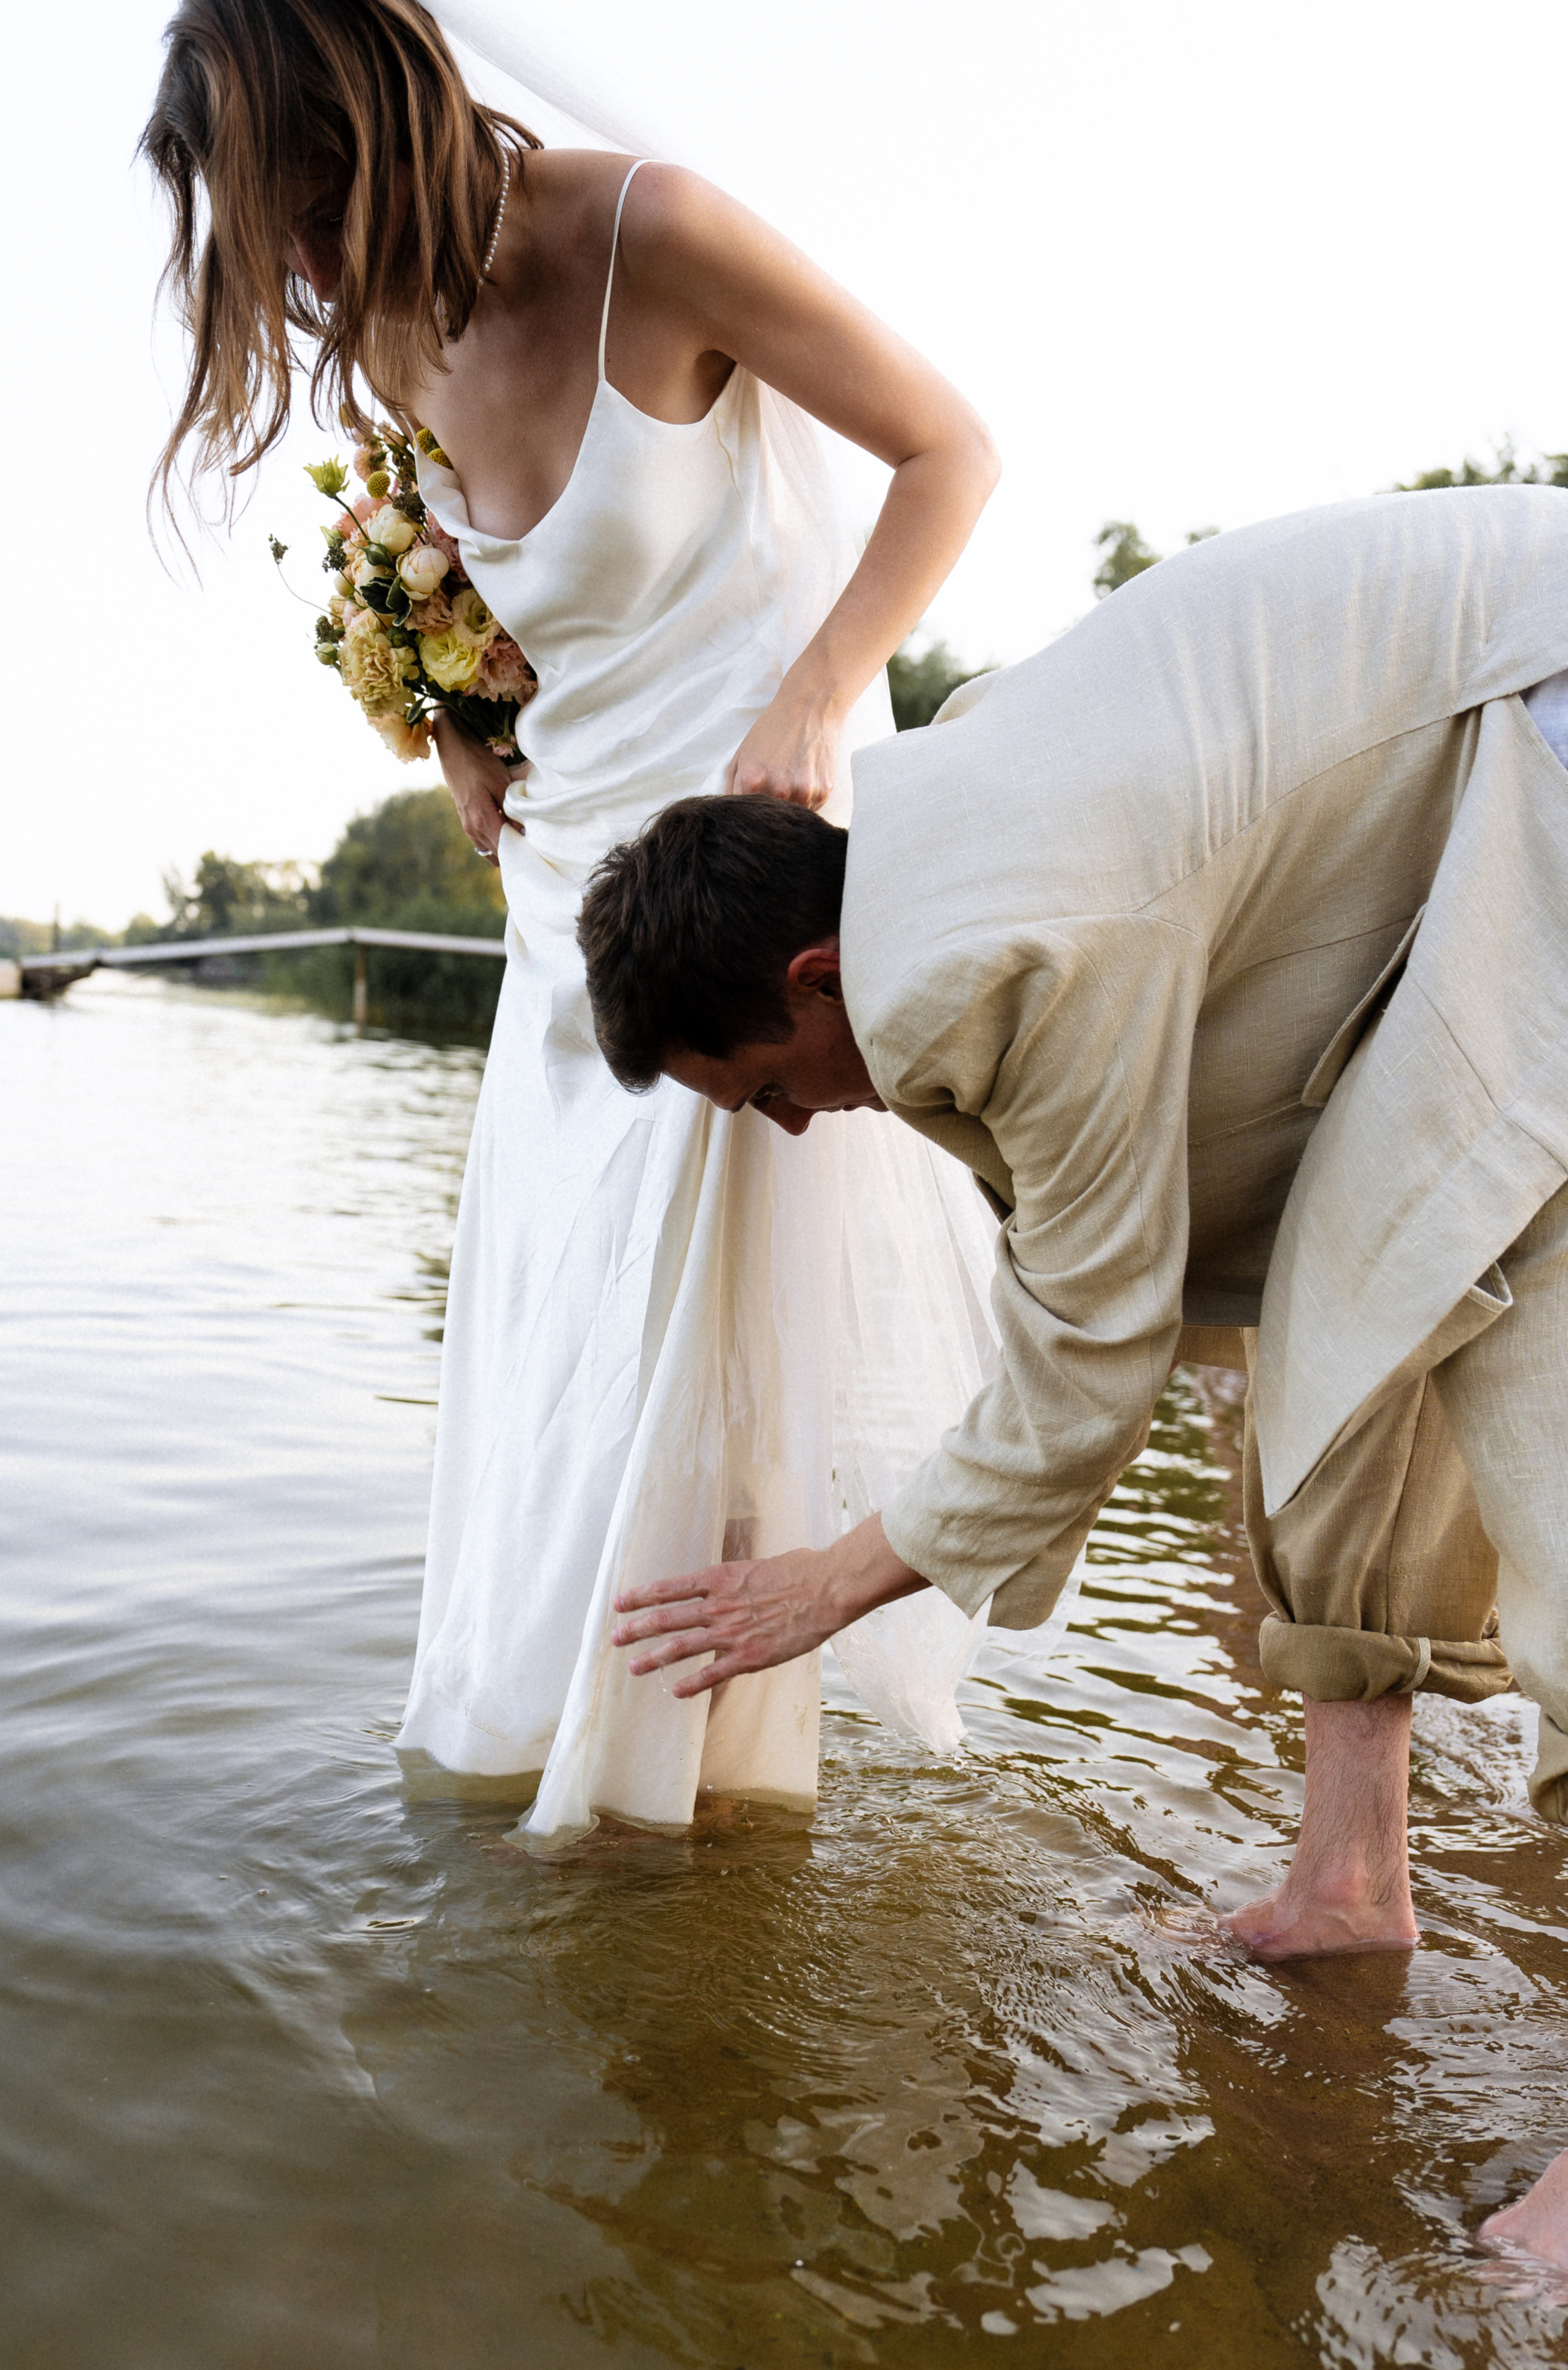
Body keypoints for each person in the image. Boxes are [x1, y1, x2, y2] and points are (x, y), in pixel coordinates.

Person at [579, 483, 1568, 2274]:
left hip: (1564, 734)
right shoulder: (943, 857)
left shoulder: (999, 946)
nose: (799, 1128)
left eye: (771, 1087)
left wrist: (822, 1584)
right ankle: (1352, 1885)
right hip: (1489, 787)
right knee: (1341, 1353)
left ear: (815, 975)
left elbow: (1087, 1351)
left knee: (1542, 1405)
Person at [142, 0, 1004, 1845]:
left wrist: (823, 688)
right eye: (265, 244)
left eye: (303, 212)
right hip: (559, 911)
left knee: (692, 1359)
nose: (296, 273)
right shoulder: (382, 323)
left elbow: (951, 452)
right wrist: (460, 731)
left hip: (728, 874)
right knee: (546, 1346)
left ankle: (688, 1800)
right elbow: (448, 567)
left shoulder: (652, 235)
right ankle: (528, 1752)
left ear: (381, 121)